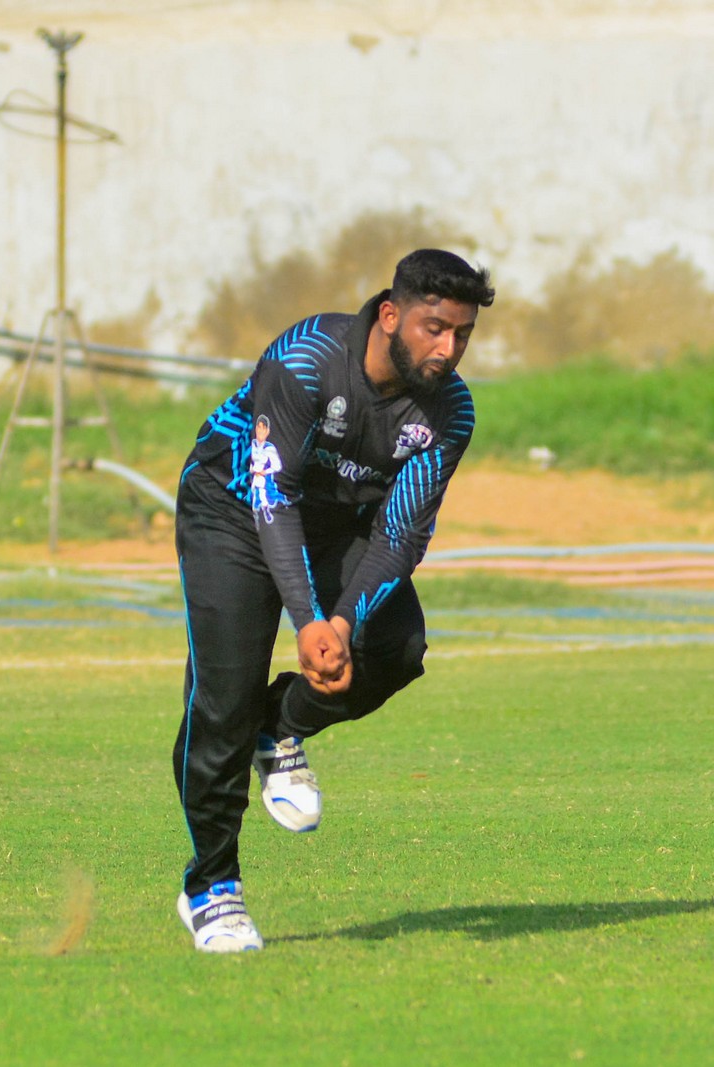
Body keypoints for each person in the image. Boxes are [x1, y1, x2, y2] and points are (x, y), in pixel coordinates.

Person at [171, 248, 495, 952]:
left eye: (462, 334)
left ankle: (277, 725)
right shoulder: (307, 358)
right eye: (435, 328)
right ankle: (212, 887)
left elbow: (400, 532)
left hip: (332, 526)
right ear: (390, 315)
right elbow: (272, 496)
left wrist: (341, 622)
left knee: (397, 646)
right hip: (231, 510)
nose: (448, 349)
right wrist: (308, 619)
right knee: (222, 702)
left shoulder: (451, 412)